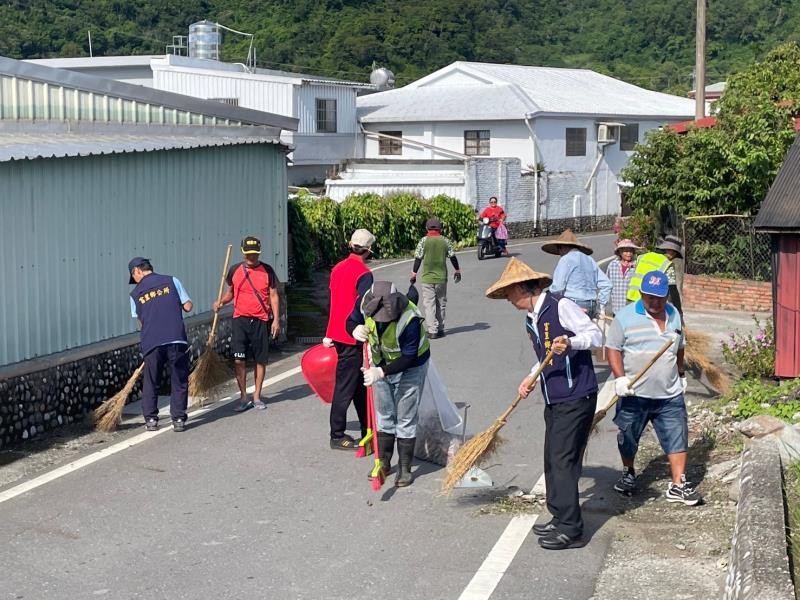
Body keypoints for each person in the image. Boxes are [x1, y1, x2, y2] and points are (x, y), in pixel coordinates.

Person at [485, 257, 602, 550]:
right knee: (552, 459)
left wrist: (570, 343)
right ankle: (560, 515)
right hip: (555, 397)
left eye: (510, 292)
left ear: (524, 288)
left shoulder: (560, 306)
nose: (508, 299)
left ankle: (572, 529)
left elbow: (596, 335)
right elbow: (543, 359)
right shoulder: (531, 319)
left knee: (563, 461)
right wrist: (530, 378)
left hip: (577, 395)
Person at [606, 270, 701, 506]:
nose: (655, 302)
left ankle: (678, 484)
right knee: (628, 436)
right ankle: (629, 473)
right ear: (641, 294)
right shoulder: (625, 318)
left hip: (669, 394)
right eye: (650, 297)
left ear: (667, 295)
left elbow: (680, 347)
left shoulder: (674, 314)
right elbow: (612, 349)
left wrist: (680, 375)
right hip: (635, 393)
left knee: (677, 435)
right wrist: (620, 379)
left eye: (660, 297)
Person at [352, 281, 430, 487]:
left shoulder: (409, 318)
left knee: (405, 415)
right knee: (384, 413)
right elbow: (350, 320)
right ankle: (383, 461)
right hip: (380, 360)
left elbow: (409, 356)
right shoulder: (365, 303)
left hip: (412, 365)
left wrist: (381, 372)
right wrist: (354, 329)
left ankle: (405, 468)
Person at [212, 236, 281, 412]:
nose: (252, 257)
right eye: (249, 254)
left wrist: (276, 320)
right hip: (240, 319)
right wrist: (221, 301)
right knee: (238, 359)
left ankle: (257, 395)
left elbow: (273, 295)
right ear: (243, 253)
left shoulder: (267, 271)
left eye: (254, 254)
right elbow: (231, 293)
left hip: (261, 320)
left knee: (260, 360)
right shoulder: (235, 270)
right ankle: (243, 396)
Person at [322, 229, 375, 451]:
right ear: (368, 250)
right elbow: (366, 307)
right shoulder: (364, 273)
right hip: (354, 334)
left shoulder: (337, 268)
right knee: (346, 386)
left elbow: (333, 298)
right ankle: (337, 434)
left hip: (337, 331)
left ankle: (367, 428)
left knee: (358, 385)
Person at [128, 257, 193, 432]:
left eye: (133, 276)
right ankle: (178, 418)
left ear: (137, 271)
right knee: (179, 379)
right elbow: (188, 306)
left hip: (151, 342)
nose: (134, 280)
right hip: (176, 338)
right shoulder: (171, 281)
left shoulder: (134, 295)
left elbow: (140, 323)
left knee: (151, 380)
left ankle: (150, 419)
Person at [410, 217, 461, 339]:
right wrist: (457, 270)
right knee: (441, 303)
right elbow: (452, 257)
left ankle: (432, 330)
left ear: (427, 228)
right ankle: (441, 328)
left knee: (429, 305)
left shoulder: (423, 241)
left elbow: (418, 258)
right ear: (440, 229)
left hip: (427, 278)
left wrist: (413, 273)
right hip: (441, 278)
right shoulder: (445, 241)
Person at [543, 229, 612, 319]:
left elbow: (557, 287)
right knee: (587, 332)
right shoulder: (589, 260)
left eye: (559, 249)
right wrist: (601, 305)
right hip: (591, 304)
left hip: (574, 304)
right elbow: (607, 284)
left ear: (562, 247)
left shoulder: (566, 259)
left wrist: (547, 295)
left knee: (570, 332)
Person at [626, 235, 684, 315]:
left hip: (630, 298)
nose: (673, 258)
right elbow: (673, 290)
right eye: (675, 255)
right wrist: (679, 311)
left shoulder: (643, 257)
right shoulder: (667, 264)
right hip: (647, 303)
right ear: (671, 252)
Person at [607, 239, 641, 315]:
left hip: (632, 306)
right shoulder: (613, 265)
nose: (628, 254)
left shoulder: (637, 265)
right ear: (620, 252)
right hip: (616, 307)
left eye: (631, 251)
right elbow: (607, 284)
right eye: (625, 251)